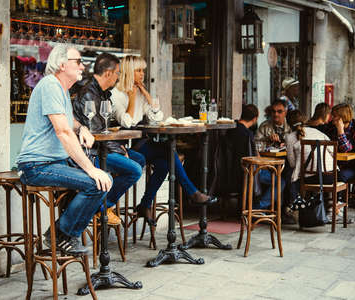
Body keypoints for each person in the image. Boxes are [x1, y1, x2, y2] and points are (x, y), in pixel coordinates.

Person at [17, 45, 112, 255]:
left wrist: (83, 128)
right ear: (62, 64)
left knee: (106, 178)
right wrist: (90, 169)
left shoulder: (60, 88)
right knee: (96, 182)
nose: (83, 65)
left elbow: (69, 123)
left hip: (54, 162)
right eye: (77, 61)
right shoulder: (50, 86)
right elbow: (63, 131)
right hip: (37, 165)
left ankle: (67, 232)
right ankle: (61, 234)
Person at [111, 55, 217, 224]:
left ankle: (146, 204)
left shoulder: (139, 93)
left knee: (165, 162)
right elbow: (127, 121)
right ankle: (192, 193)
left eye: (143, 70)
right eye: (138, 70)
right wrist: (131, 98)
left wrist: (145, 93)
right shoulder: (115, 95)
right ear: (128, 72)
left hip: (139, 144)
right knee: (168, 150)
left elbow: (156, 117)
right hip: (123, 148)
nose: (142, 74)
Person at [73, 53, 145, 225]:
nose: (119, 77)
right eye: (118, 73)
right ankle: (102, 207)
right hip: (89, 153)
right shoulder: (89, 94)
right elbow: (96, 132)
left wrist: (119, 149)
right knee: (134, 170)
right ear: (108, 74)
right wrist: (119, 149)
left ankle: (103, 202)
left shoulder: (101, 92)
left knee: (138, 158)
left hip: (100, 149)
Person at [285, 110, 335, 202]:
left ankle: (296, 206)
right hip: (331, 175)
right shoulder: (317, 132)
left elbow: (292, 164)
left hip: (312, 178)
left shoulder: (289, 137)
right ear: (305, 120)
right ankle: (327, 205)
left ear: (288, 123)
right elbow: (333, 152)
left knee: (290, 176)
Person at [326, 103, 355, 184]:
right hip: (335, 165)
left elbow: (346, 149)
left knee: (339, 176)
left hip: (354, 167)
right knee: (325, 175)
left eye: (334, 116)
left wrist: (340, 131)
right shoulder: (331, 126)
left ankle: (339, 195)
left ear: (342, 117)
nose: (331, 118)